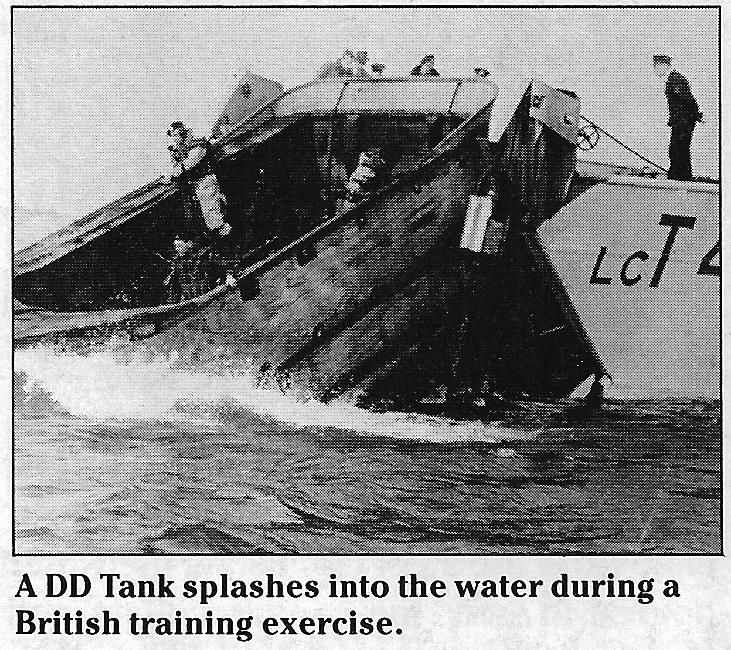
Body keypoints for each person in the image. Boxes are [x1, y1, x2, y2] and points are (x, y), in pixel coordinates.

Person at [167, 121, 231, 238]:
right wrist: (175, 157)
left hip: (205, 180)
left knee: (212, 210)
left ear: (183, 134)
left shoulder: (197, 145)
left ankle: (225, 233)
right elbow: (178, 166)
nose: (174, 139)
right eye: (173, 136)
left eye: (176, 135)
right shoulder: (182, 150)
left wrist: (174, 172)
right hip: (197, 184)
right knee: (204, 212)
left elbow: (188, 164)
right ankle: (218, 234)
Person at [652, 54, 703, 181]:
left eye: (656, 67)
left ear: (664, 65)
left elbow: (688, 99)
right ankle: (681, 177)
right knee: (678, 150)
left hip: (683, 122)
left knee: (678, 150)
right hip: (681, 121)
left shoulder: (675, 79)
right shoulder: (673, 79)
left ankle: (679, 178)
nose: (655, 70)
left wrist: (697, 115)